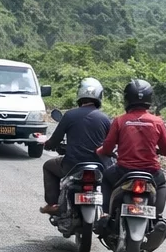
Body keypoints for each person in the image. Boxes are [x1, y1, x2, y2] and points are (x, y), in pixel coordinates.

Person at [96, 79, 166, 216]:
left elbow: (108, 149)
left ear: (127, 98)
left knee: (106, 178)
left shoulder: (120, 120)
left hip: (124, 172)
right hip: (151, 172)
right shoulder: (157, 122)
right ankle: (157, 215)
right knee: (161, 185)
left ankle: (105, 213)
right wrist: (158, 151)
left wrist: (100, 151)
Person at [39, 78, 112, 215]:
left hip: (72, 166)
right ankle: (107, 211)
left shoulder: (70, 115)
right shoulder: (105, 119)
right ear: (99, 96)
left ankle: (52, 204)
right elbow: (111, 143)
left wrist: (47, 144)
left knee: (48, 166)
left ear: (80, 95)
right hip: (99, 166)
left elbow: (55, 140)